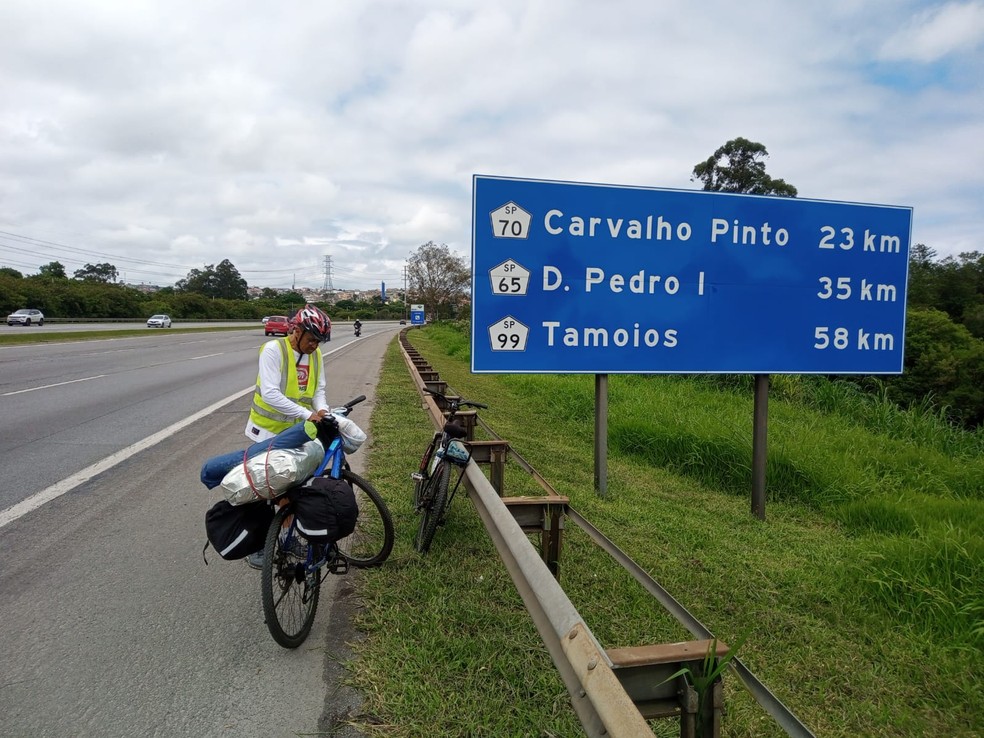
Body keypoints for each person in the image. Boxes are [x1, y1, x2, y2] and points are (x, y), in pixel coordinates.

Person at [243, 303, 332, 569]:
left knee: (292, 488)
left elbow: (319, 389)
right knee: (264, 489)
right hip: (266, 430)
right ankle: (257, 547)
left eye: (319, 341)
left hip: (296, 432)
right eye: (312, 339)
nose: (315, 345)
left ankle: (285, 538)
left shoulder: (315, 355)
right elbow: (270, 393)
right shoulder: (274, 350)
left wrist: (323, 410)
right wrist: (308, 415)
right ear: (297, 330)